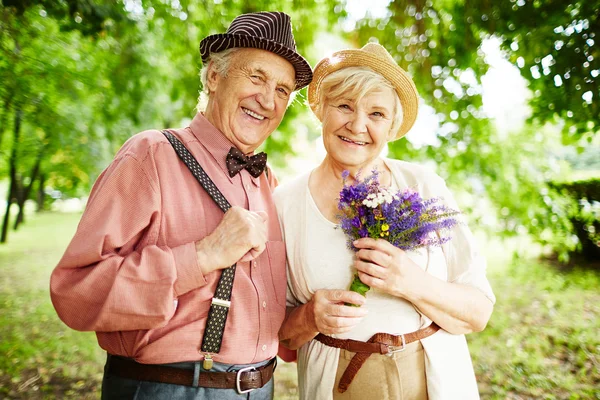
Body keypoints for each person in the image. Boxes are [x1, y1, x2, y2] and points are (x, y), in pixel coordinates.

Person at [50, 11, 312, 399]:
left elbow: (274, 317)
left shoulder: (269, 185)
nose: (268, 99)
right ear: (214, 77)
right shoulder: (150, 155)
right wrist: (203, 255)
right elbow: (76, 292)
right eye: (256, 77)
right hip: (169, 388)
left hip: (262, 389)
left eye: (282, 90)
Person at [274, 43, 495, 399]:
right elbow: (279, 336)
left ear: (392, 126)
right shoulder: (284, 203)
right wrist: (309, 317)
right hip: (336, 385)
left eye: (376, 114)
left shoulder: (424, 186)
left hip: (431, 380)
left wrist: (410, 281)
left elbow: (478, 313)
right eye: (344, 105)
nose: (357, 125)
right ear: (321, 110)